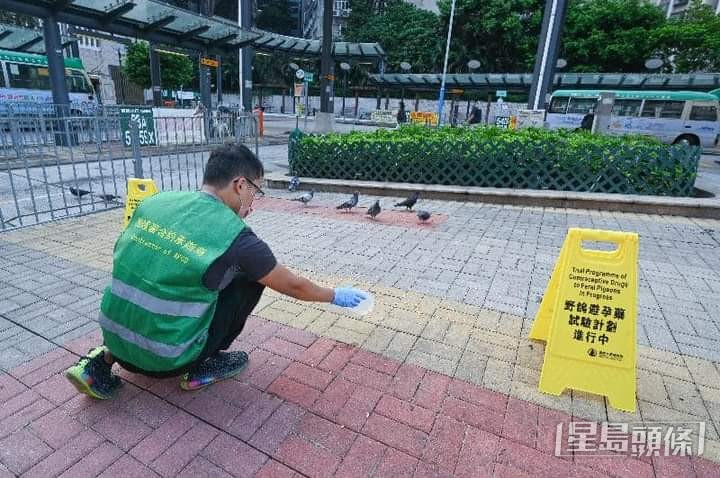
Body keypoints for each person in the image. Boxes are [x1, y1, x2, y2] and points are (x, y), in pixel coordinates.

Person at [64, 144, 368, 399]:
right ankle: (202, 365)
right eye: (255, 192)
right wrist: (335, 295)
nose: (253, 202)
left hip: (114, 338)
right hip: (167, 360)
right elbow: (294, 286)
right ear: (240, 185)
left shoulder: (155, 202)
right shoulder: (239, 239)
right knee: (249, 278)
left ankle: (99, 363)